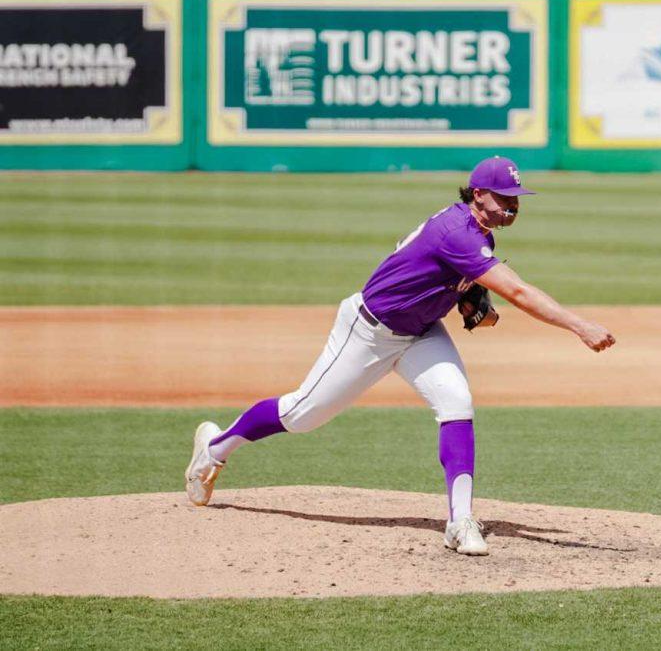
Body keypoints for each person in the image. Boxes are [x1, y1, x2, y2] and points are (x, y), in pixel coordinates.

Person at [185, 158, 616, 557]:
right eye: (504, 199)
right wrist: (581, 326)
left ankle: (460, 521)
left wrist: (466, 300)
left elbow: (451, 279)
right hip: (368, 332)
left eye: (516, 201)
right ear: (478, 194)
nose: (511, 208)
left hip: (422, 332)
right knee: (302, 415)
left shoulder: (475, 231)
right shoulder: (457, 233)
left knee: (457, 403)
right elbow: (519, 292)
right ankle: (216, 447)